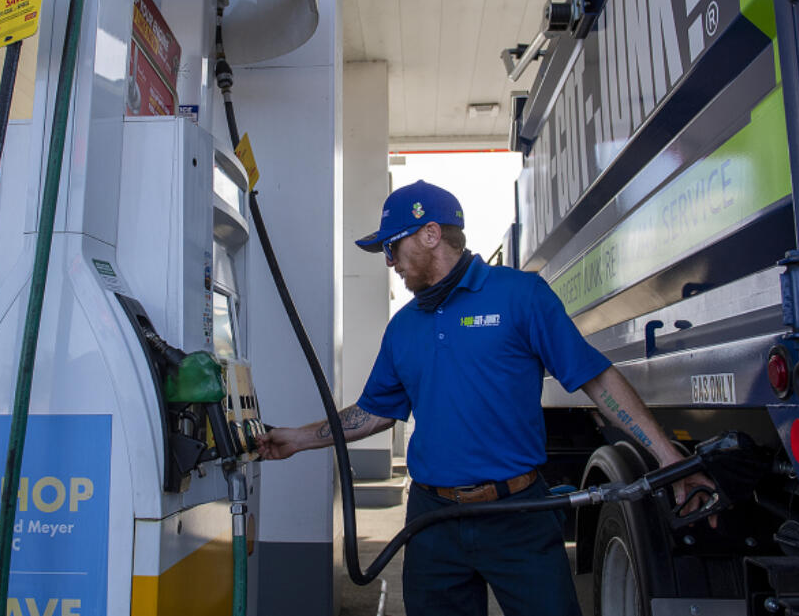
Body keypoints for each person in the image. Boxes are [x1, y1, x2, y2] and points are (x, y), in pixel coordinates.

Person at [258, 180, 712, 616]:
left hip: (518, 515)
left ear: (431, 234)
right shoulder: (403, 327)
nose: (390, 261)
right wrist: (297, 439)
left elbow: (596, 379)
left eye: (392, 247)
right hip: (432, 521)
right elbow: (373, 413)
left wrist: (669, 459)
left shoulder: (520, 295)